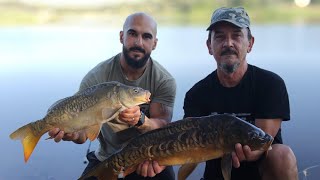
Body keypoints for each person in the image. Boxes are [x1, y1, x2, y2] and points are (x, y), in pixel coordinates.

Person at [48, 12, 176, 179]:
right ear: (121, 36)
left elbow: (163, 126)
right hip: (107, 157)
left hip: (147, 158)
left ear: (155, 44)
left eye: (146, 36)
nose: (138, 42)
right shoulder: (96, 78)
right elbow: (84, 134)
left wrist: (141, 120)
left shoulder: (163, 80)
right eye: (132, 34)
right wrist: (71, 134)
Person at [183, 7, 298, 180]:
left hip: (261, 173)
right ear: (209, 46)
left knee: (281, 154)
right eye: (220, 36)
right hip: (216, 175)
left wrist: (249, 151)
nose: (228, 43)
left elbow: (260, 144)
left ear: (250, 43)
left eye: (236, 35)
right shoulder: (196, 94)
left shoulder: (270, 85)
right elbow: (188, 148)